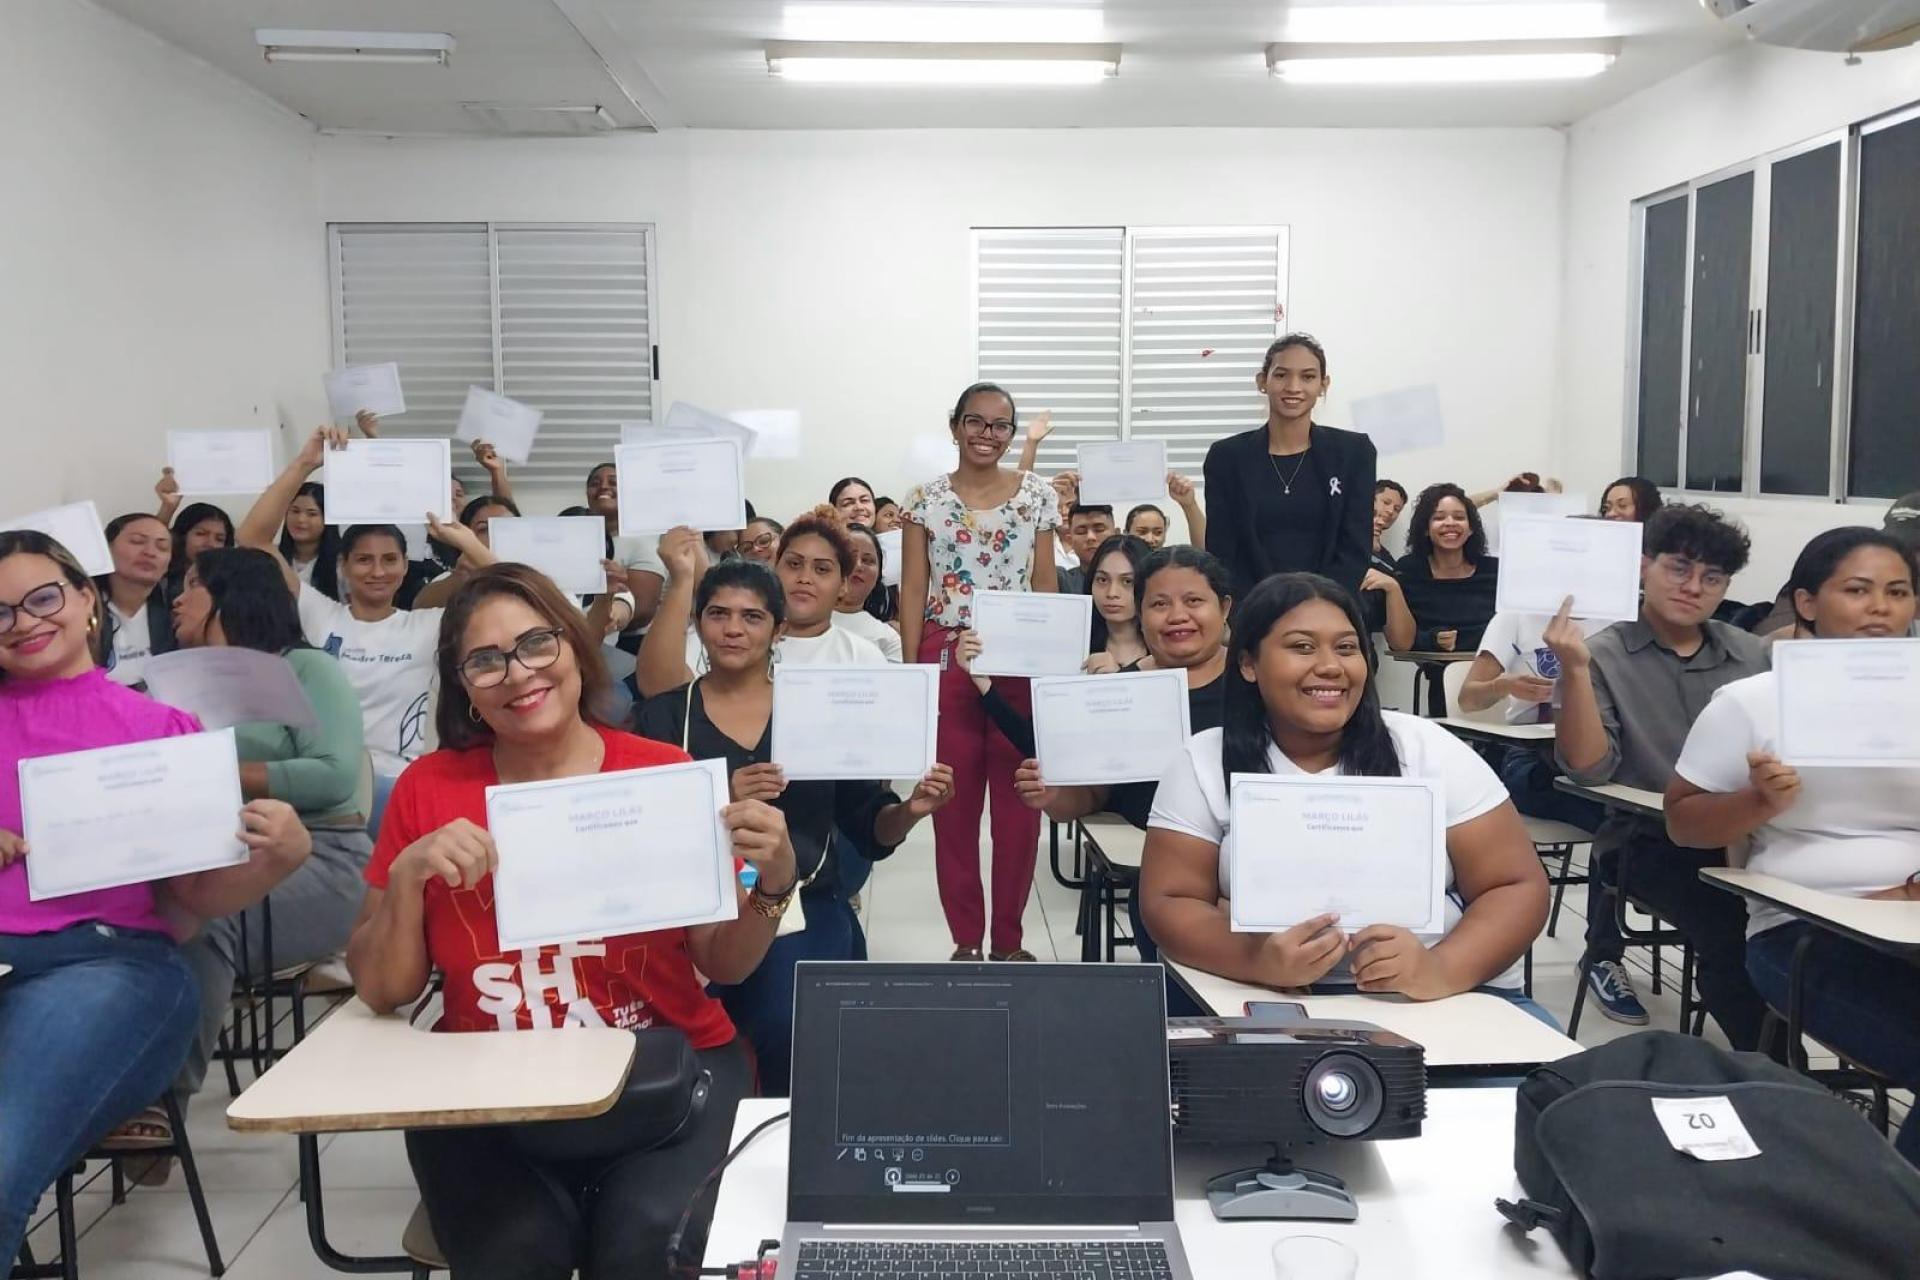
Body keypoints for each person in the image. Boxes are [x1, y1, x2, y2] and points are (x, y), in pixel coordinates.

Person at [344, 564, 789, 1280]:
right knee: (516, 1256)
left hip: (666, 1087)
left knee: (645, 1250)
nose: (517, 674)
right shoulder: (429, 788)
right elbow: (383, 990)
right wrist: (406, 877)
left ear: (576, 650)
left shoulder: (662, 773)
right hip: (490, 1105)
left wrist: (773, 881)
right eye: (486, 661)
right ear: (463, 685)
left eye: (535, 644)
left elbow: (725, 963)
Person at [0, 531, 310, 1262]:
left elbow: (196, 896)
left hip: (103, 969)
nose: (23, 621)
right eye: (0, 611)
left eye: (43, 598)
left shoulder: (161, 731)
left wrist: (279, 860)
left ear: (86, 602)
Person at [1139, 573, 1551, 1015]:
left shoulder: (1427, 748)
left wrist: (1439, 970)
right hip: (1267, 995)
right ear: (1248, 664)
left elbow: (1515, 886)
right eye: (1301, 647)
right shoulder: (1203, 760)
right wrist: (1256, 960)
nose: (1331, 666)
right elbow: (1170, 900)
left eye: (1347, 647)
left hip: (1446, 995)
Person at [634, 556, 952, 1093]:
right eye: (718, 614)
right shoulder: (665, 717)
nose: (733, 629)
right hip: (693, 910)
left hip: (802, 904)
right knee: (678, 1046)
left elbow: (867, 826)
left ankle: (785, 1149)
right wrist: (721, 797)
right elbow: (641, 831)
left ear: (779, 629)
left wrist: (909, 812)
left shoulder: (816, 709)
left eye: (752, 617)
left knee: (793, 1029)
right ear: (698, 624)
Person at [1666, 526, 1920, 1162]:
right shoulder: (1751, 702)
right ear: (1807, 602)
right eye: (1857, 590)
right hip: (1806, 932)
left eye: (1898, 592)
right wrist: (1759, 802)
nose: (1881, 608)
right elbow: (1683, 822)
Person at [1549, 503, 1771, 1044]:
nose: (1694, 587)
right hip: (1650, 841)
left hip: (1762, 836)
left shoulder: (1751, 654)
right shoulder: (1599, 654)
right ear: (1644, 566)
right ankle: (1781, 1074)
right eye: (1679, 568)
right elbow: (1587, 769)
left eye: (1712, 577)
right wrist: (1573, 672)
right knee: (1731, 931)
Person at [165, 548, 371, 1116]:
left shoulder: (308, 668)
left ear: (231, 596)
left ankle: (161, 1106)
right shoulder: (176, 681)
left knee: (204, 922)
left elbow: (333, 777)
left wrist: (209, 773)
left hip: (320, 859)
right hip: (213, 853)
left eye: (192, 585)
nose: (177, 598)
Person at [238, 427, 497, 831]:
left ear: (405, 566)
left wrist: (464, 539)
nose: (378, 571)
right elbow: (252, 539)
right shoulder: (320, 614)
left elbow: (519, 588)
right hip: (330, 789)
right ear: (343, 566)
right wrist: (306, 462)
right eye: (364, 560)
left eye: (390, 560)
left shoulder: (429, 625)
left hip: (403, 785)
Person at [900, 382, 1062, 962]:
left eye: (1000, 425)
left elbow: (1045, 581)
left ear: (1012, 434)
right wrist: (912, 671)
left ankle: (1010, 943)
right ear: (955, 426)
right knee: (954, 805)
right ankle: (967, 940)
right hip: (947, 655)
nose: (987, 434)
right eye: (976, 422)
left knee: (1020, 809)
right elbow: (914, 586)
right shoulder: (924, 499)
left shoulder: (1038, 495)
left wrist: (1051, 664)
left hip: (1020, 656)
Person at [1202, 333, 1377, 602]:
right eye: (1281, 375)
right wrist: (1260, 611)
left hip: (1331, 611)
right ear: (1263, 381)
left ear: (1323, 384)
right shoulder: (1226, 457)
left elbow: (1355, 547)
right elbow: (1223, 550)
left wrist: (1319, 605)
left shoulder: (1353, 452)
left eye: (1307, 377)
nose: (1293, 386)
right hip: (1253, 612)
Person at [640, 510, 886, 696]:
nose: (804, 578)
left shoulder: (864, 657)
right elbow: (660, 690)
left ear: (843, 584)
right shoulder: (730, 636)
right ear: (775, 568)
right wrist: (682, 579)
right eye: (794, 564)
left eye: (822, 569)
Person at [1456, 605, 1608, 831]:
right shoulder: (1517, 616)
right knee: (1612, 815)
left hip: (1609, 750)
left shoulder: (1624, 619)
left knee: (1626, 810)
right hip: (1533, 754)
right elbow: (1468, 699)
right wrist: (1504, 685)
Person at [1395, 481, 1499, 658]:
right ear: (1426, 528)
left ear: (1471, 528)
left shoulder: (1494, 570)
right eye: (1439, 518)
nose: (1450, 523)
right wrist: (1433, 639)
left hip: (1495, 670)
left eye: (1459, 517)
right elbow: (1404, 639)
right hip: (1438, 672)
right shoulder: (1409, 571)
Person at [582, 461, 665, 638]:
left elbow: (641, 611)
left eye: (613, 482)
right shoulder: (576, 540)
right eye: (595, 484)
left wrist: (593, 622)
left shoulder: (645, 541)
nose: (603, 487)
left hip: (629, 644)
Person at [94, 513, 176, 688]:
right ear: (106, 549)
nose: (150, 552)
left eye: (162, 547)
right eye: (137, 541)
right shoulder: (81, 613)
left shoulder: (173, 616)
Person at [833, 523, 903, 661]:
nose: (858, 565)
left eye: (867, 560)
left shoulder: (888, 638)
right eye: (850, 557)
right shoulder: (797, 624)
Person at [1359, 480, 1415, 646]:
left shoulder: (1389, 563)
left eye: (1397, 509)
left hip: (1363, 648)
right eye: (1386, 502)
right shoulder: (1333, 543)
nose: (1390, 511)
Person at [1084, 534, 1150, 672]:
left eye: (1127, 581)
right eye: (1102, 580)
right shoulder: (1077, 647)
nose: (1112, 593)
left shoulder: (1165, 651)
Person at [276, 482, 343, 600]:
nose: (301, 519)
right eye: (295, 511)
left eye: (312, 514)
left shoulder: (342, 563)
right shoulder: (273, 558)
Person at [163, 502, 233, 598]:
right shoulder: (162, 578)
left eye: (219, 539)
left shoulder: (230, 584)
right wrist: (167, 508)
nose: (210, 544)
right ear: (182, 536)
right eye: (201, 534)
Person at [1122, 474, 1208, 551]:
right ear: (1126, 534)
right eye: (1142, 532)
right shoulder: (1116, 563)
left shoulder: (1170, 563)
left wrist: (1189, 505)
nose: (1150, 539)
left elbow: (1205, 550)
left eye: (1158, 532)